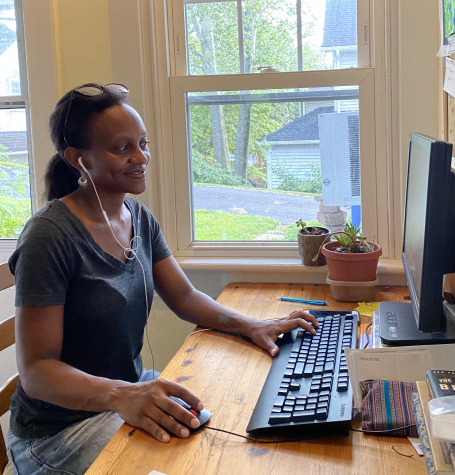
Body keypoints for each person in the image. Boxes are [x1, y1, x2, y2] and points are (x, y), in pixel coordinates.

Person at [6, 83, 318, 475]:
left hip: (126, 394)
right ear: (78, 159)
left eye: (143, 143)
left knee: (235, 431)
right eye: (122, 148)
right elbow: (37, 371)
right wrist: (123, 394)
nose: (141, 158)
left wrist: (251, 325)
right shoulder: (48, 237)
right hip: (57, 432)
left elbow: (185, 296)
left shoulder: (137, 217)